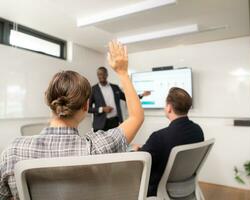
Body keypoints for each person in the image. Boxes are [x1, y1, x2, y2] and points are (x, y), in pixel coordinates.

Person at [0, 41, 144, 200]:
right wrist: (123, 72)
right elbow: (136, 117)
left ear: (48, 101)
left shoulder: (13, 150)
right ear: (86, 106)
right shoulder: (99, 147)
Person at [133, 87, 205, 197]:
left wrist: (138, 150)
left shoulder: (159, 137)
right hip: (188, 187)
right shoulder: (198, 130)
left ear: (169, 108)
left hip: (159, 190)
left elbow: (141, 162)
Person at [88, 66, 150, 131]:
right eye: (100, 74)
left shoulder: (115, 87)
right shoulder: (93, 90)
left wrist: (141, 95)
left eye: (104, 73)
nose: (102, 76)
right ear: (97, 75)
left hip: (115, 123)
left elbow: (126, 98)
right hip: (100, 125)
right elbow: (88, 109)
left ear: (107, 74)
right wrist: (102, 109)